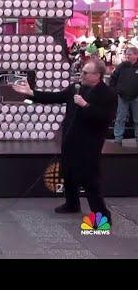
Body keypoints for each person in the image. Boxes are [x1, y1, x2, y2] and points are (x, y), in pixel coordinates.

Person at [13, 59, 117, 223]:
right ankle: (72, 203)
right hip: (70, 138)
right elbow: (55, 97)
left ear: (97, 75)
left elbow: (105, 118)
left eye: (85, 73)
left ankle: (102, 216)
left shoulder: (108, 94)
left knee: (89, 179)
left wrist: (85, 106)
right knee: (68, 173)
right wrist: (31, 93)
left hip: (90, 143)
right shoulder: (76, 88)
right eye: (82, 71)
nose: (81, 75)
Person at [109, 46, 138, 145]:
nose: (127, 56)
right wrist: (115, 91)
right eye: (127, 54)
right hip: (122, 97)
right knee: (120, 119)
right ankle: (118, 139)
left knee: (137, 119)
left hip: (136, 97)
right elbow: (113, 78)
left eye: (129, 54)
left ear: (136, 55)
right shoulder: (121, 66)